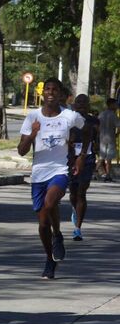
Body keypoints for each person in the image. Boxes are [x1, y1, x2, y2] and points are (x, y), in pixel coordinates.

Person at [17, 77, 91, 280]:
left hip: (59, 170)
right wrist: (32, 135)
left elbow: (87, 131)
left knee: (50, 205)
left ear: (60, 94)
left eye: (54, 89)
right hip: (38, 173)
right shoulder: (33, 117)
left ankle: (56, 236)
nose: (50, 92)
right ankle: (51, 254)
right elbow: (21, 151)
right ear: (42, 93)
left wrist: (81, 157)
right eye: (47, 89)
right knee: (42, 224)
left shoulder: (69, 116)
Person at [68, 94, 98, 241]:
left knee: (81, 192)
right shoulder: (69, 118)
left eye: (84, 102)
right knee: (73, 193)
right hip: (71, 158)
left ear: (88, 105)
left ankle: (78, 228)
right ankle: (75, 209)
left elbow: (97, 139)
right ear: (74, 104)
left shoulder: (93, 120)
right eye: (78, 102)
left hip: (88, 158)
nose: (80, 104)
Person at [97, 98, 120, 182]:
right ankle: (107, 174)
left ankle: (98, 171)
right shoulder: (113, 115)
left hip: (102, 138)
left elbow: (97, 126)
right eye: (115, 104)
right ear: (111, 104)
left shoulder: (101, 114)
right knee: (109, 158)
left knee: (102, 156)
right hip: (110, 138)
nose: (117, 106)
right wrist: (117, 135)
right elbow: (119, 126)